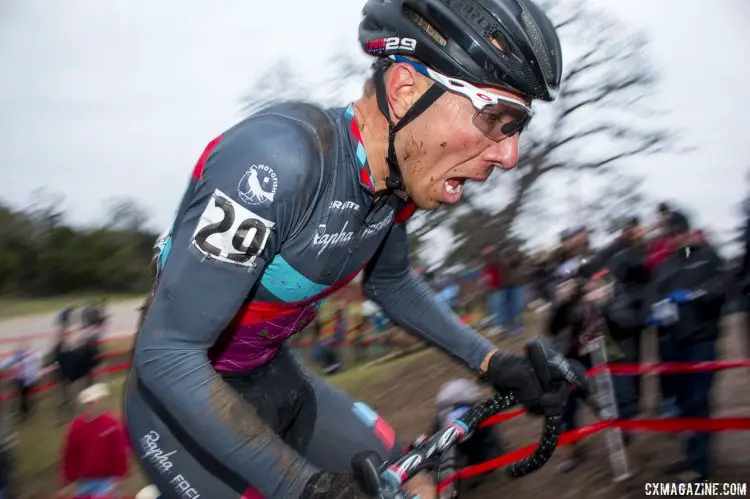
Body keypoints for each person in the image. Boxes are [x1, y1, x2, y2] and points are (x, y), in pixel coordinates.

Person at [125, 1, 586, 497]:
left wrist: (495, 364)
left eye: (518, 126)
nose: (510, 154)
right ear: (406, 90)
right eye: (497, 117)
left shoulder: (392, 186)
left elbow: (392, 283)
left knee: (419, 489)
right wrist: (304, 487)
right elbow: (167, 354)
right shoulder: (277, 163)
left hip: (275, 379)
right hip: (182, 411)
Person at [648, 211, 727, 482]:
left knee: (698, 400)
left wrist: (694, 296)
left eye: (676, 234)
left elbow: (721, 289)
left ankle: (701, 469)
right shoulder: (667, 266)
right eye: (668, 236)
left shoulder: (708, 257)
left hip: (702, 342)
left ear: (686, 233)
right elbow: (655, 295)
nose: (672, 240)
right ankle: (693, 456)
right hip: (674, 344)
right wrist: (654, 312)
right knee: (683, 404)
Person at [59, 383, 128, 498]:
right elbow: (70, 455)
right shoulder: (76, 427)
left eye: (96, 402)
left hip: (107, 479)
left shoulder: (111, 424)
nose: (92, 406)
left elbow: (119, 451)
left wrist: (119, 476)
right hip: (84, 481)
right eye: (89, 403)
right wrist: (68, 480)